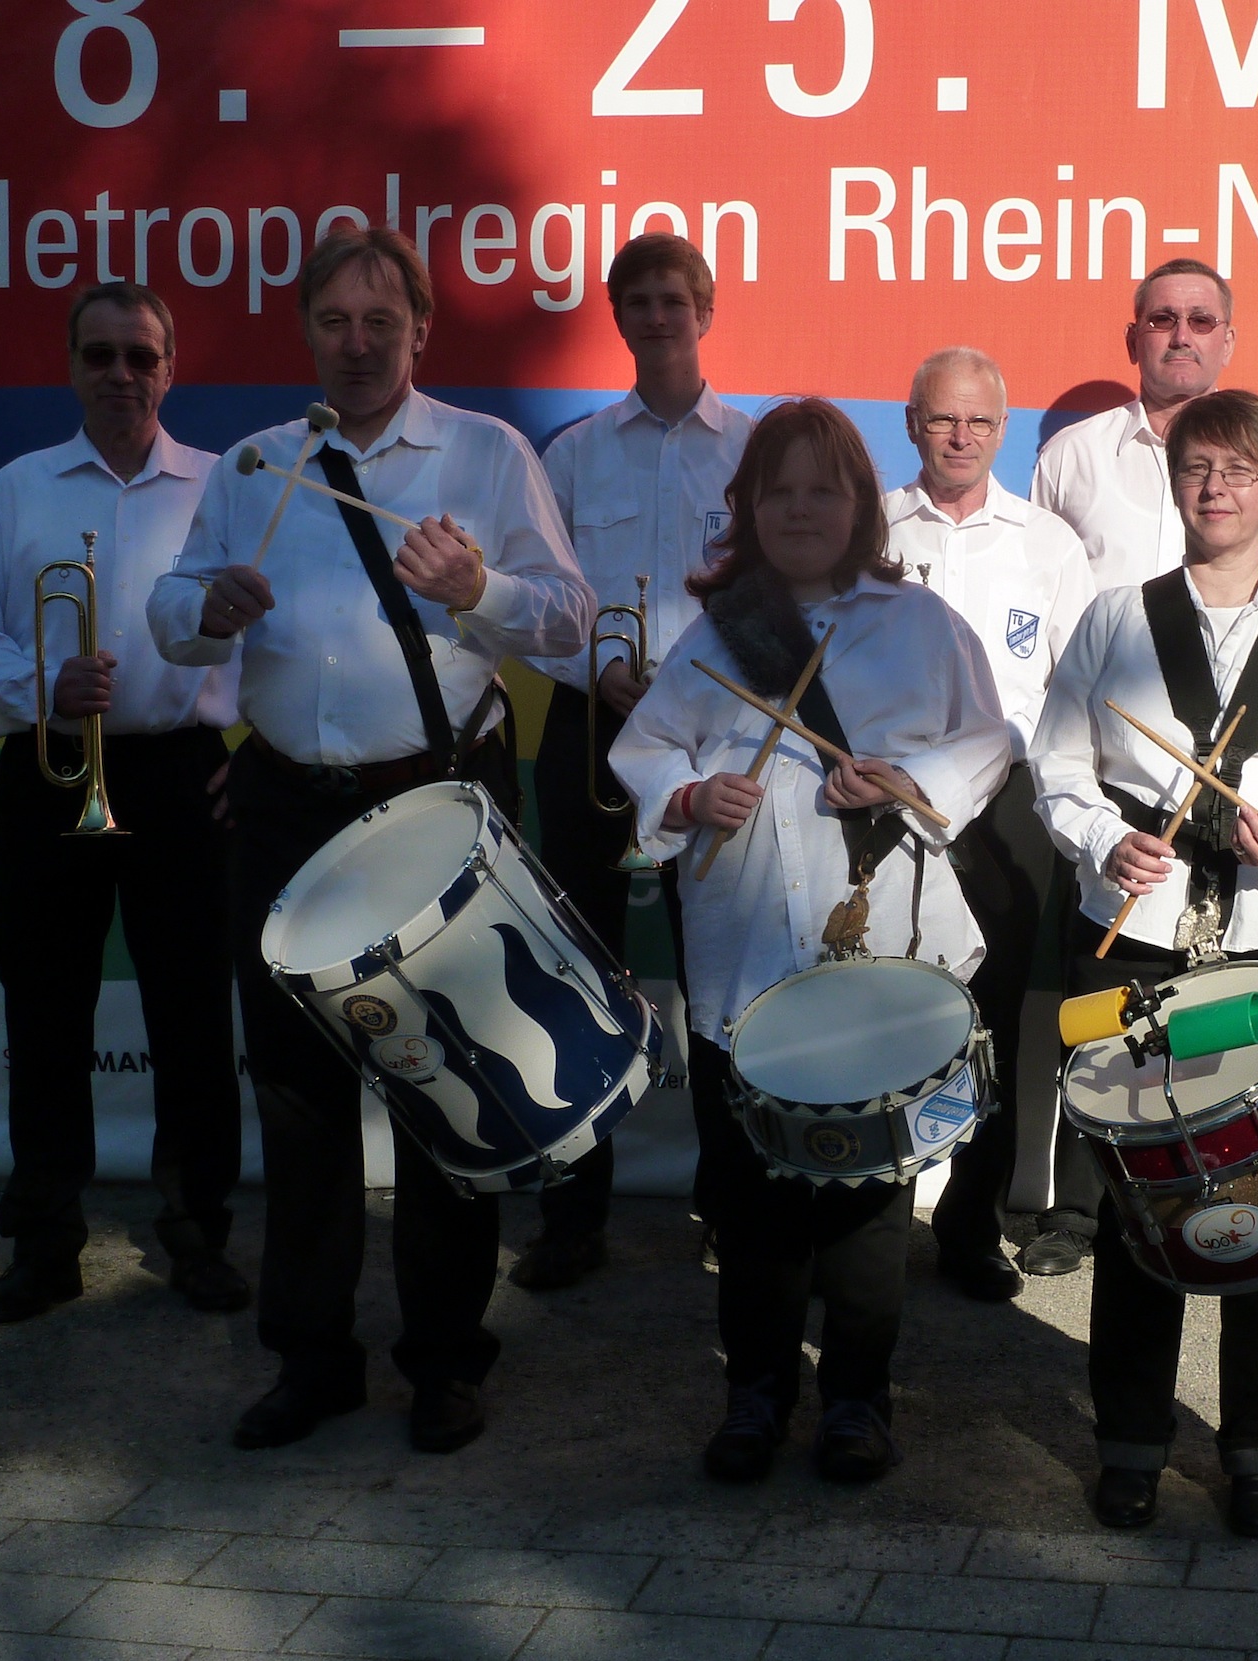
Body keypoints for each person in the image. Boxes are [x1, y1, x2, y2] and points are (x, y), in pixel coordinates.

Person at [148, 228, 593, 1453]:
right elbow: (174, 613)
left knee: (447, 1087)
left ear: (420, 333)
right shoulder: (255, 463)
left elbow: (570, 620)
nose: (356, 344)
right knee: (296, 1096)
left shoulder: (486, 452)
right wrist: (205, 608)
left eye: (379, 323)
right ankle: (313, 1358)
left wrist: (478, 592)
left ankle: (444, 1358)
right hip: (287, 806)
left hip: (434, 804)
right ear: (306, 331)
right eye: (334, 321)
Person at [612, 398, 1010, 1484]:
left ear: (859, 506)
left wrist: (910, 779)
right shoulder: (714, 636)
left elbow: (990, 735)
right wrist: (689, 794)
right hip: (746, 955)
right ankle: (755, 1394)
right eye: (776, 492)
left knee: (869, 1203)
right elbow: (645, 746)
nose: (798, 510)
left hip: (879, 958)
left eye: (821, 491)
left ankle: (856, 1400)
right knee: (750, 1202)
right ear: (746, 507)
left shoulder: (920, 625)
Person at [1032, 389, 1258, 1537]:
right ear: (1172, 478)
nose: (1215, 487)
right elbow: (1058, 762)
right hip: (1134, 931)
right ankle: (1131, 1441)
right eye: (1196, 466)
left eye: (1239, 470)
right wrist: (1103, 837)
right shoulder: (1117, 615)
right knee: (1139, 1200)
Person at [0, 282, 244, 1326]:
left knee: (192, 1015)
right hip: (49, 769)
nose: (121, 374)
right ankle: (44, 1245)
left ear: (171, 367)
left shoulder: (221, 485)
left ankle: (199, 1234)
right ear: (71, 367)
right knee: (46, 1015)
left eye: (140, 355)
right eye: (100, 355)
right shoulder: (16, 489)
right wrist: (42, 688)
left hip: (179, 772)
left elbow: (273, 633)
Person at [521, 233, 756, 1291]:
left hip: (713, 736)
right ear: (616, 317)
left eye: (674, 299)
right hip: (591, 729)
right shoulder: (571, 455)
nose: (657, 317)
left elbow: (770, 597)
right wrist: (597, 668)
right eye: (639, 302)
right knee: (579, 974)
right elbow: (541, 599)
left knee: (722, 978)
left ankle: (733, 1206)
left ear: (704, 312)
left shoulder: (750, 449)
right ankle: (573, 1218)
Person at [884, 347, 1095, 1300]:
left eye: (979, 421)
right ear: (911, 423)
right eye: (942, 418)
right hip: (889, 800)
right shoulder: (874, 531)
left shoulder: (1048, 543)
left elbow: (1077, 688)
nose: (960, 437)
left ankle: (969, 1226)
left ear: (1003, 430)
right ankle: (870, 1223)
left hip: (1007, 803)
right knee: (888, 1008)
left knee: (996, 1019)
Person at [1032, 258, 1258, 594]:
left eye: (1201, 321)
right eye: (1162, 320)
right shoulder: (1070, 457)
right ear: (1132, 342)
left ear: (1227, 343)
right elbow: (1042, 592)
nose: (1181, 337)